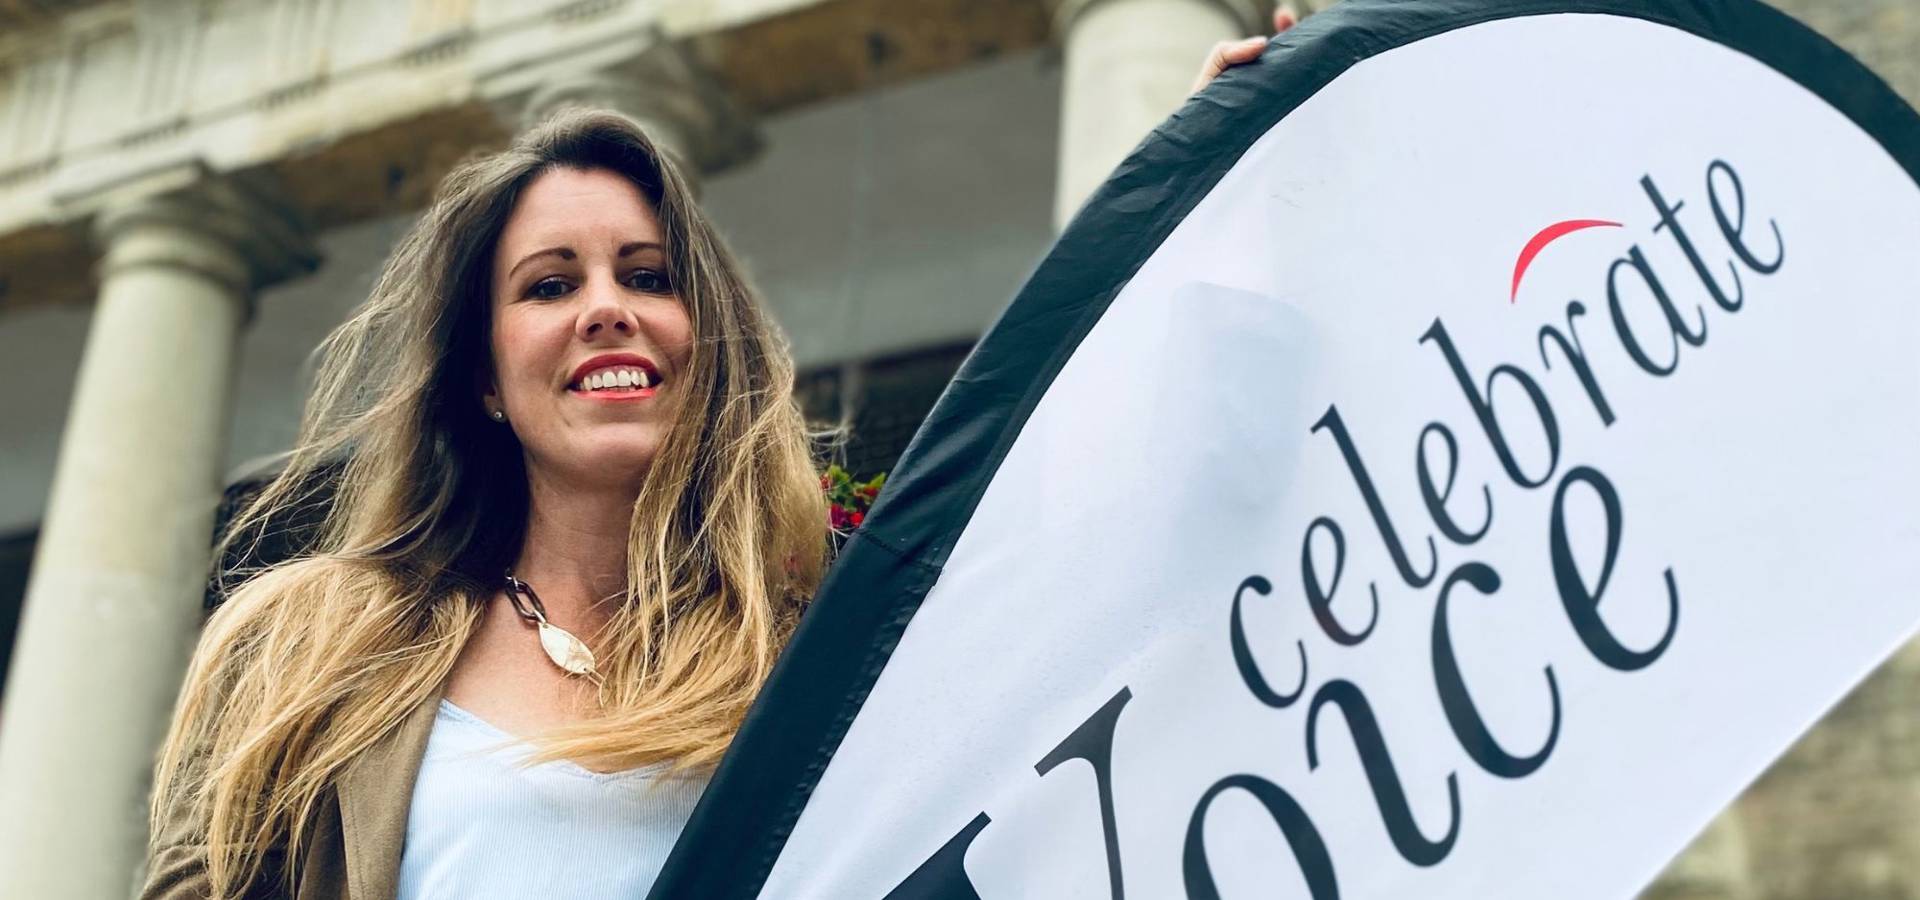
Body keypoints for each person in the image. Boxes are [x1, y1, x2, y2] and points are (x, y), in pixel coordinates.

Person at [141, 11, 1297, 899]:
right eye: (549, 286)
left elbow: (1102, 613)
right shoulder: (312, 644)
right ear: (482, 379)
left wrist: (1212, 197)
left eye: (648, 277)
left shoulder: (825, 634)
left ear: (707, 338)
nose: (607, 308)